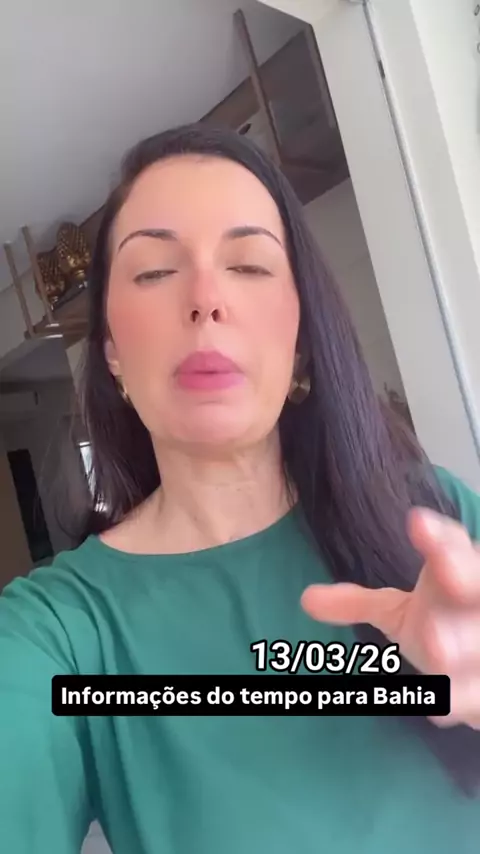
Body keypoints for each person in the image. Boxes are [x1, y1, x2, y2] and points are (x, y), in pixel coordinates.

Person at [1, 124, 479, 854]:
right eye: (155, 271)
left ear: (302, 339)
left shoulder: (435, 520)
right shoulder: (59, 634)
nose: (205, 299)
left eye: (249, 265)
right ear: (112, 351)